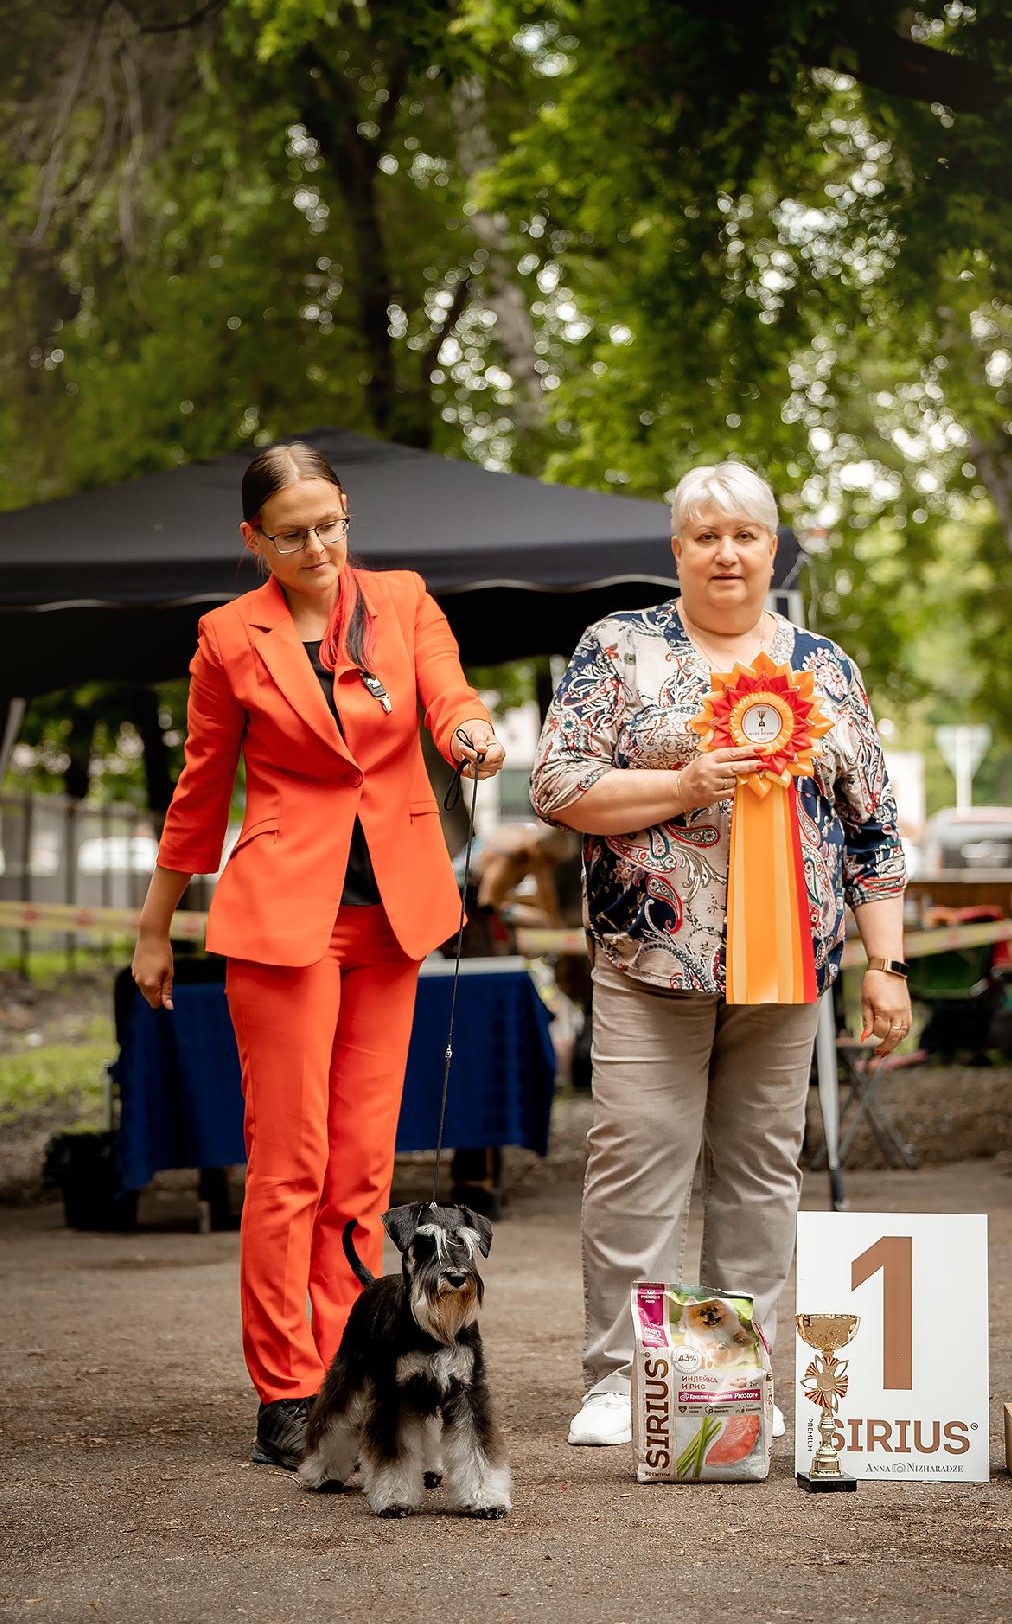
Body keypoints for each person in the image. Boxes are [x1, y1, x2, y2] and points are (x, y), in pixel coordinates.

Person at [131, 442, 504, 1469]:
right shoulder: (227, 635)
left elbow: (448, 693)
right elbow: (201, 787)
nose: (316, 546)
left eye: (328, 523)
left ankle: (356, 1364)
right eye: (290, 534)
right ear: (253, 539)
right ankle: (287, 1384)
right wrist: (156, 923)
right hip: (281, 915)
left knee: (362, 1166)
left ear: (346, 511)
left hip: (392, 913)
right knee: (288, 1164)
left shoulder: (404, 599)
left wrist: (471, 730)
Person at [529, 460, 909, 1447]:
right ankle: (622, 1378)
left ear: (772, 548)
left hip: (790, 969)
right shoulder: (618, 647)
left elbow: (873, 829)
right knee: (637, 1161)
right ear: (678, 549)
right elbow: (557, 785)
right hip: (649, 962)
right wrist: (685, 781)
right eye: (706, 535)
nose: (726, 552)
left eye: (745, 534)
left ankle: (733, 1377)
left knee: (760, 1171)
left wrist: (886, 965)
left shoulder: (826, 666)